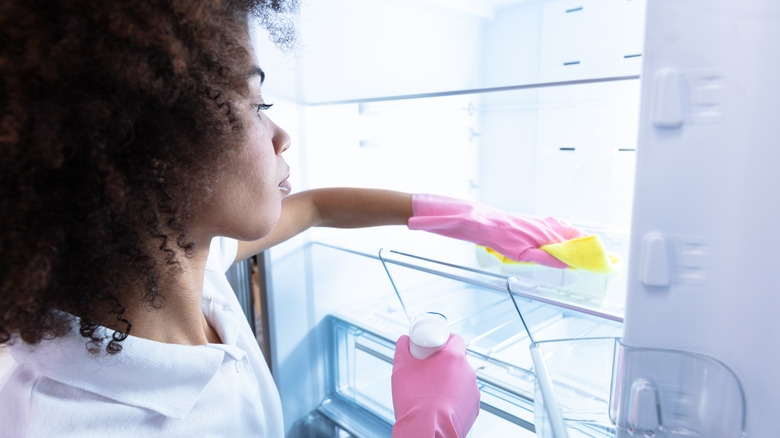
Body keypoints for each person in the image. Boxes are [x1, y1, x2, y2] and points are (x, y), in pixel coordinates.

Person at [0, 1, 586, 437]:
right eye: (257, 105)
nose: (282, 134)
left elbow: (315, 207)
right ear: (152, 152)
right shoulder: (79, 425)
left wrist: (468, 218)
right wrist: (425, 426)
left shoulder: (177, 269)